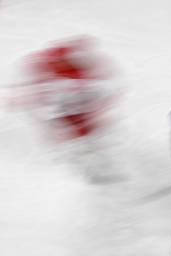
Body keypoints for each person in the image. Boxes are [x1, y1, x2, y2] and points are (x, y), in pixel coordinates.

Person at [21, 36, 120, 183]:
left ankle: (98, 173)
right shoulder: (56, 70)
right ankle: (89, 175)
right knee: (80, 148)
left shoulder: (75, 73)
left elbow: (102, 91)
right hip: (69, 120)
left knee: (89, 145)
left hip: (77, 118)